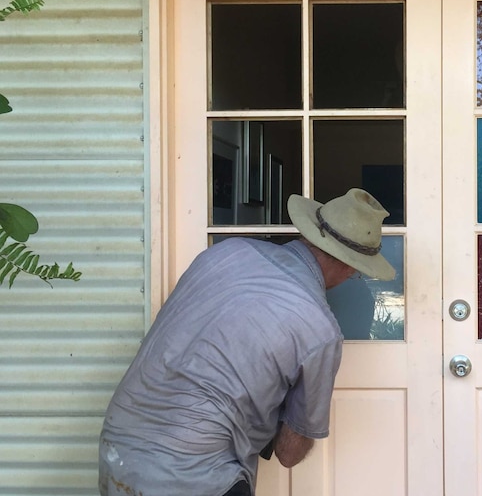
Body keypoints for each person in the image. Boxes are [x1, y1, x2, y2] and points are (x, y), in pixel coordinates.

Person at [98, 188, 396, 496]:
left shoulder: (225, 253)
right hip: (196, 476)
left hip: (119, 449)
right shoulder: (319, 329)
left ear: (309, 232)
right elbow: (289, 453)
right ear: (351, 267)